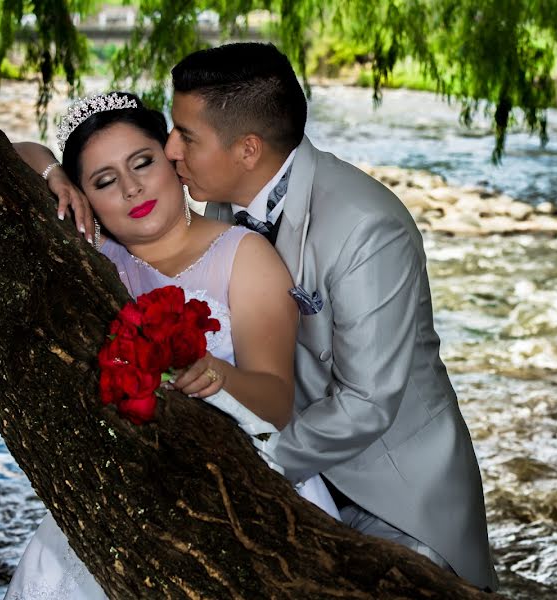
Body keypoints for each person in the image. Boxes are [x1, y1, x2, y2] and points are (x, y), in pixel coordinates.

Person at [165, 43, 498, 591]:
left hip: (392, 496)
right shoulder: (222, 206)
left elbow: (368, 401)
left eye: (186, 135)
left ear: (248, 149)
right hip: (306, 472)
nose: (171, 148)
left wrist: (256, 462)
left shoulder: (365, 226)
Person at [5, 92, 339, 599]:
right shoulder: (92, 254)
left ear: (171, 159)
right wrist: (52, 173)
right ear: (86, 197)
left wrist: (217, 376)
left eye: (142, 162)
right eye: (104, 181)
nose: (132, 187)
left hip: (239, 483)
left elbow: (277, 400)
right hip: (123, 489)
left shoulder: (243, 255)